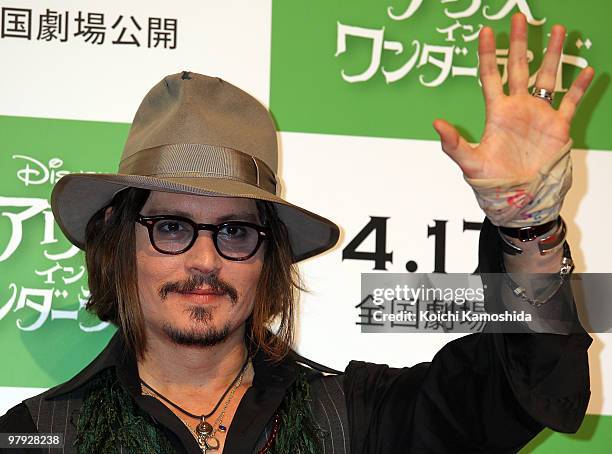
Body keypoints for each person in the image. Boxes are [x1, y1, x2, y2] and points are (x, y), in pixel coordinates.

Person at [0, 12, 595, 454]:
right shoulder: (41, 435)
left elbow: (516, 391)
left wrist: (527, 225)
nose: (205, 259)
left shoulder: (353, 418)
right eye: (173, 227)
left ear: (270, 255)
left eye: (235, 232)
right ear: (120, 239)